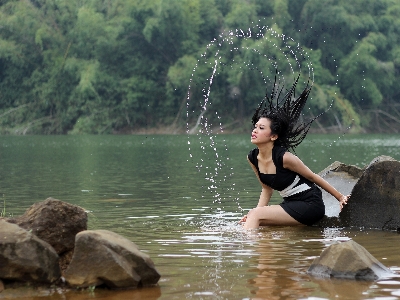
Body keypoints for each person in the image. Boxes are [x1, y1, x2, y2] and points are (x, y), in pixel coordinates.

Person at [239, 76, 350, 229]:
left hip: (310, 204)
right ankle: (261, 251)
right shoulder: (252, 158)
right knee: (255, 220)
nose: (255, 130)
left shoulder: (284, 158)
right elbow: (266, 188)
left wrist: (340, 197)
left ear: (273, 136)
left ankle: (247, 247)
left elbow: (313, 177)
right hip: (290, 204)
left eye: (261, 128)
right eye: (256, 126)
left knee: (255, 216)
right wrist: (256, 213)